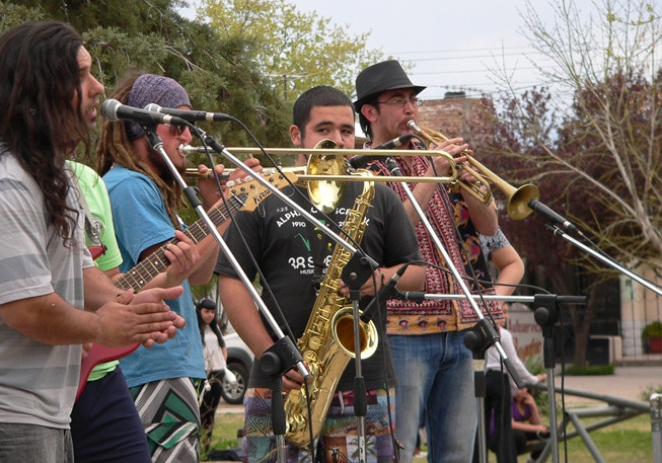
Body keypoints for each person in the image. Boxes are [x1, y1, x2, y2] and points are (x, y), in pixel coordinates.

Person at [0, 21, 185, 462]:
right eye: (81, 74)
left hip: (34, 408)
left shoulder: (54, 177)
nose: (98, 87)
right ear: (40, 88)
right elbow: (26, 308)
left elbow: (81, 275)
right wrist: (104, 326)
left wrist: (129, 306)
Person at [216, 85, 424, 463]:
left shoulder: (376, 195)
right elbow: (232, 281)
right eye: (324, 130)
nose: (338, 140)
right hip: (275, 382)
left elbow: (416, 274)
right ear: (297, 135)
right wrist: (270, 354)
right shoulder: (261, 193)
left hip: (365, 383)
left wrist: (376, 280)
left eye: (346, 131)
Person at [355, 60, 523, 463]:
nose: (411, 109)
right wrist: (432, 174)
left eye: (413, 100)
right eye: (398, 101)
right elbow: (386, 237)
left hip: (459, 330)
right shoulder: (361, 170)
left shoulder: (432, 157)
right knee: (397, 451)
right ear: (370, 111)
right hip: (401, 332)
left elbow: (488, 228)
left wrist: (472, 181)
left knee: (456, 453)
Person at [96, 70, 254, 462]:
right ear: (142, 128)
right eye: (177, 126)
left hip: (166, 362)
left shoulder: (150, 189)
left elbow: (196, 274)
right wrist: (227, 204)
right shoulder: (132, 185)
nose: (187, 137)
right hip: (152, 365)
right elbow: (165, 270)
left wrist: (221, 207)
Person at [68, 161, 150, 463]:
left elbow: (107, 276)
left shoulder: (87, 179)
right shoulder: (2, 178)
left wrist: (137, 301)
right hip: (29, 384)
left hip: (99, 375)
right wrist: (76, 327)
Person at [484, 297, 545, 463]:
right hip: (497, 377)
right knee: (503, 425)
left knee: (481, 425)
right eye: (503, 312)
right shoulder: (503, 335)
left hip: (482, 378)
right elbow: (513, 363)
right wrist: (532, 379)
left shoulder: (479, 332)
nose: (507, 317)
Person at [196, 297, 228, 458]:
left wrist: (223, 363)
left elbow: (223, 347)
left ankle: (205, 448)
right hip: (202, 373)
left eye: (212, 312)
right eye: (206, 311)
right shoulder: (195, 329)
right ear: (200, 311)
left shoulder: (215, 329)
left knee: (211, 412)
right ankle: (196, 448)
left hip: (217, 372)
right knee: (201, 411)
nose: (209, 315)